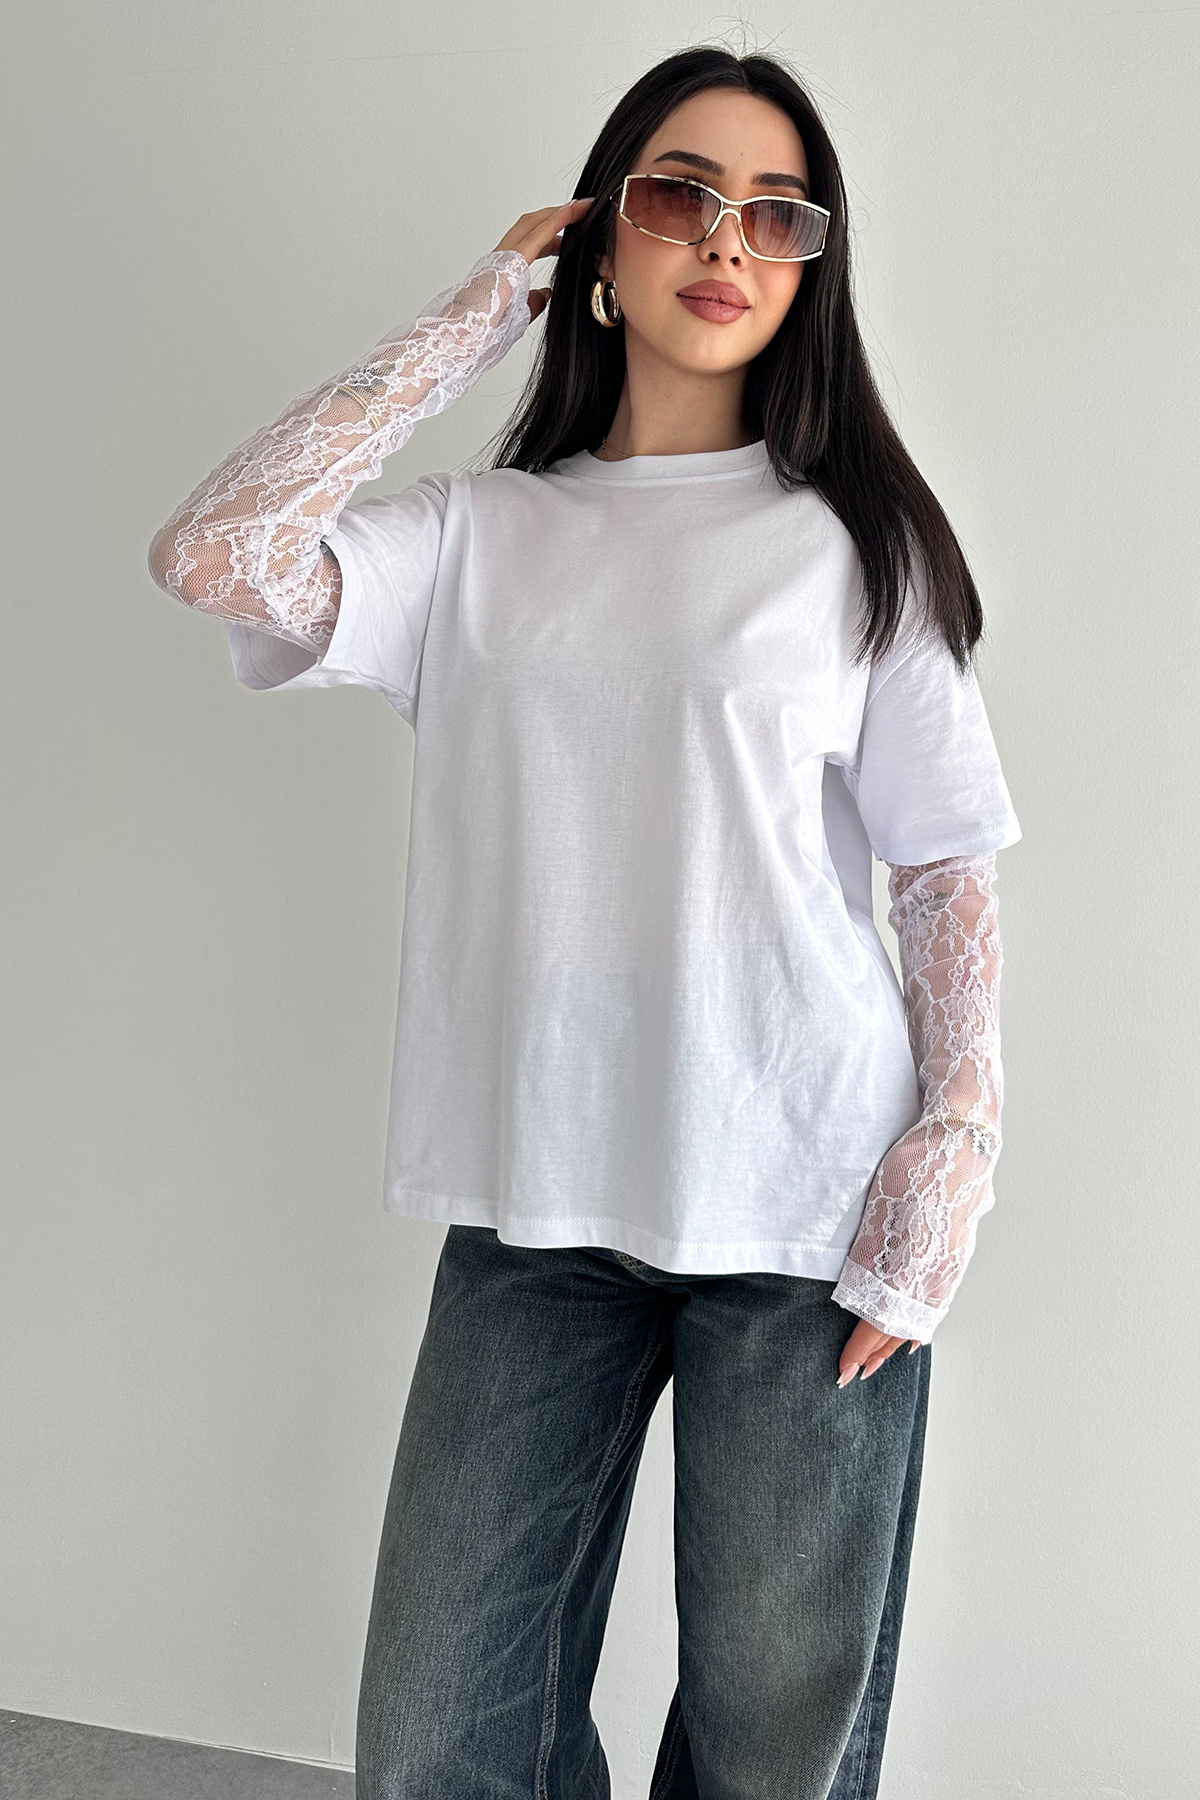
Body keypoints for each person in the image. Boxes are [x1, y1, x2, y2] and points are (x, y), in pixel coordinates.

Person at [147, 43, 1021, 1800]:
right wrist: (472, 319)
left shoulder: (855, 548)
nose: (729, 239)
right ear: (600, 237)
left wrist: (957, 1137)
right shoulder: (478, 538)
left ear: (812, 267)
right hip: (535, 1204)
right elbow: (216, 553)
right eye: (681, 194)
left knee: (775, 1750)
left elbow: (942, 869)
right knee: (437, 1740)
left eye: (779, 215)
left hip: (804, 1206)